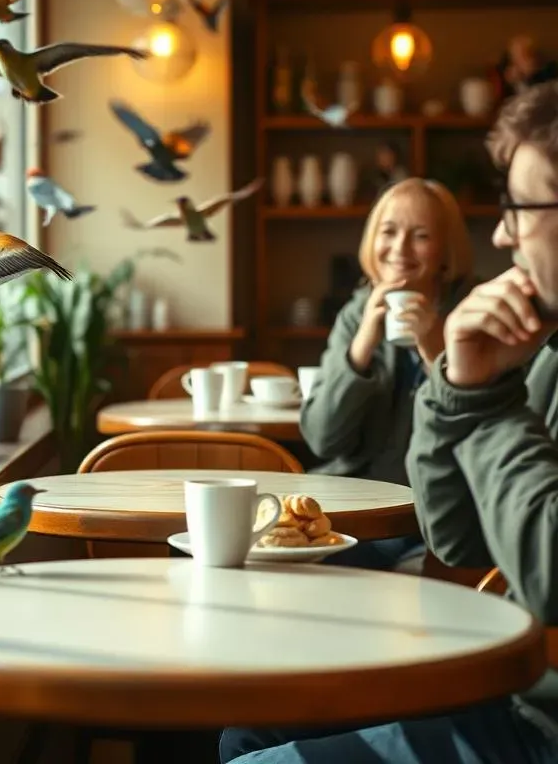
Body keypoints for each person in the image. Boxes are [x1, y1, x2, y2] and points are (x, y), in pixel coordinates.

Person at [220, 82, 558, 763]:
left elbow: (524, 570)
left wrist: (458, 371)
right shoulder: (533, 343)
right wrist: (383, 352)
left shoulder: (489, 321)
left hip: (525, 706)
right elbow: (456, 531)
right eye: (389, 232)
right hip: (512, 678)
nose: (505, 233)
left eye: (521, 207)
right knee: (243, 729)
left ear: (443, 251)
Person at [300, 177, 474, 570]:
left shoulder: (472, 317)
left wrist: (433, 347)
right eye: (389, 232)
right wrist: (362, 342)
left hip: (434, 525)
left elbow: (482, 434)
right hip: (350, 516)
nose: (400, 249)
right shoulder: (356, 315)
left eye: (421, 235)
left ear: (445, 251)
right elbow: (323, 438)